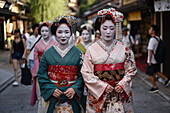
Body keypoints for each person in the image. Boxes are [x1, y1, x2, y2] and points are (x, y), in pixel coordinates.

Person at [81, 8, 137, 113]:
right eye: (105, 28)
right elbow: (86, 72)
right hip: (99, 94)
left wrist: (122, 84)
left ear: (116, 29)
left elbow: (131, 69)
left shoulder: (124, 48)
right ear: (99, 29)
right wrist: (103, 86)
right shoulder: (91, 49)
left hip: (119, 92)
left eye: (111, 28)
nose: (108, 32)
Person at [37, 16, 84, 113]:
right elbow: (41, 75)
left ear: (71, 33)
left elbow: (83, 75)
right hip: (53, 94)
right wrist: (51, 89)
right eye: (60, 32)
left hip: (71, 94)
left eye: (66, 32)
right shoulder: (47, 53)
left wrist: (74, 88)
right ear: (55, 33)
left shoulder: (78, 53)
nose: (63, 36)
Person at [30, 22, 58, 106]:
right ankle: (40, 99)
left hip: (52, 66)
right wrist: (38, 70)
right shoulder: (38, 44)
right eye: (42, 31)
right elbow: (35, 58)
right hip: (41, 66)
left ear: (49, 32)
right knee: (39, 80)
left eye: (46, 31)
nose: (44, 33)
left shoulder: (55, 43)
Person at [145, 25, 170, 93]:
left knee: (150, 73)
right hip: (156, 59)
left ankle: (155, 87)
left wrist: (149, 61)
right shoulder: (157, 38)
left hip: (152, 60)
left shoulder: (152, 39)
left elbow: (150, 50)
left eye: (150, 29)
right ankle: (166, 79)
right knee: (156, 71)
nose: (149, 30)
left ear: (153, 31)